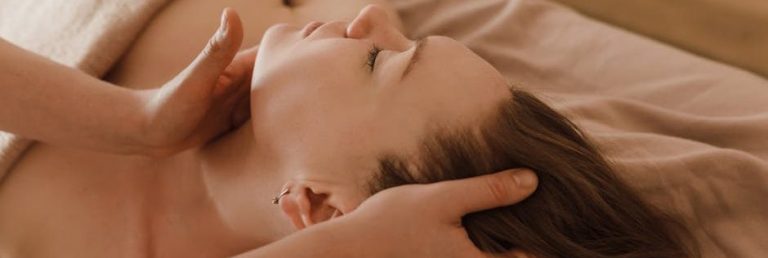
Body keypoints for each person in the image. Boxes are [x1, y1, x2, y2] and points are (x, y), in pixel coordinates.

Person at [0, 4, 696, 258]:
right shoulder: (251, 31)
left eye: (378, 60)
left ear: (324, 209)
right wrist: (136, 122)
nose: (373, 17)